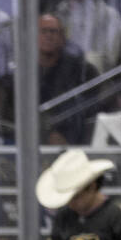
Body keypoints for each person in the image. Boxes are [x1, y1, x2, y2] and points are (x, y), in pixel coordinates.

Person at [37, 148, 121, 240]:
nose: (70, 203)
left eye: (75, 197)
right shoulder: (63, 217)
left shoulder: (117, 215)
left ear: (92, 187)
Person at [36, 13, 99, 144]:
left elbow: (95, 103)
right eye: (44, 31)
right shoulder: (24, 71)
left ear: (62, 37)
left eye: (53, 31)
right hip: (35, 136)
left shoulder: (82, 69)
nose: (48, 35)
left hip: (74, 138)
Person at [52, 0, 121, 73]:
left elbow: (109, 59)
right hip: (63, 80)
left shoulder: (110, 16)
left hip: (97, 83)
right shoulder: (58, 13)